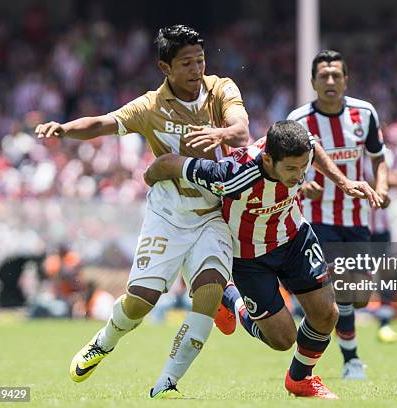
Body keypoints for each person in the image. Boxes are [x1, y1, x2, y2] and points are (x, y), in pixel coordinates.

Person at [34, 25, 250, 398]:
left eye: (200, 59)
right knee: (140, 302)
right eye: (186, 63)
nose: (197, 68)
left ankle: (166, 385)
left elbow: (241, 129)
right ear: (165, 67)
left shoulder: (221, 88)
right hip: (167, 215)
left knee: (209, 291)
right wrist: (64, 129)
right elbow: (104, 122)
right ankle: (102, 343)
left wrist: (219, 135)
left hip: (213, 214)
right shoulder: (150, 106)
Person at [144, 120, 382, 399]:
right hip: (249, 258)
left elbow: (312, 145)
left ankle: (300, 379)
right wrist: (149, 178)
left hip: (294, 238)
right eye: (290, 169)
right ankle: (231, 298)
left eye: (302, 167)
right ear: (268, 159)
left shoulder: (298, 151)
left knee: (327, 313)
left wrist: (343, 182)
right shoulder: (230, 174)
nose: (298, 175)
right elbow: (170, 163)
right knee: (282, 340)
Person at [286, 50, 397, 380]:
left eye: (336, 75)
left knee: (359, 296)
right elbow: (285, 169)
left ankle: (326, 334)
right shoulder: (299, 120)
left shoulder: (365, 114)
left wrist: (383, 187)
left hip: (356, 218)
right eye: (324, 76)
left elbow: (378, 158)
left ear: (346, 79)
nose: (330, 81)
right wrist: (303, 185)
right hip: (316, 220)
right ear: (313, 82)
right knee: (341, 287)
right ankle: (351, 361)